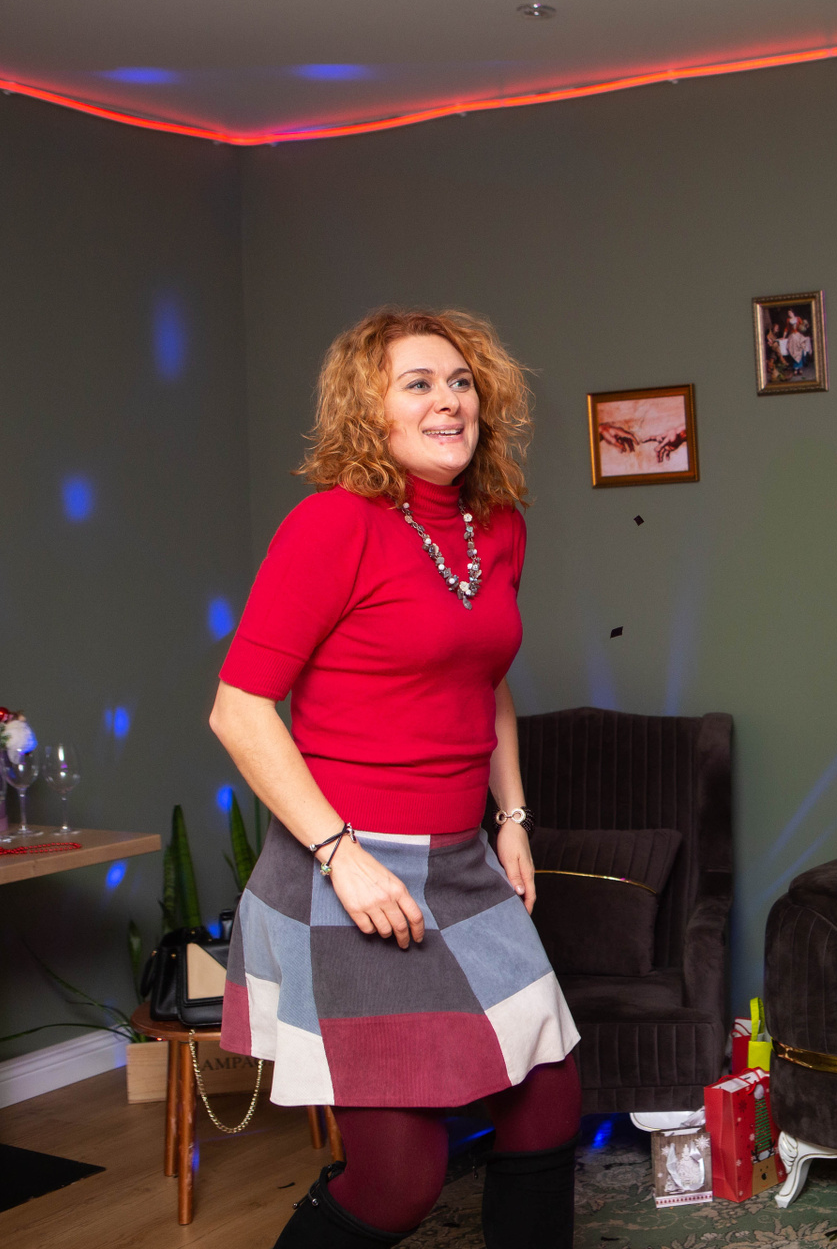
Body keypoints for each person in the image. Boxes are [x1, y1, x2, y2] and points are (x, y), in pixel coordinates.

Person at [210, 308, 580, 1249]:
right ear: (367, 410)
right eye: (418, 384)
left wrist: (513, 818)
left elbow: (483, 678)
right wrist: (342, 856)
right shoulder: (330, 525)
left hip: (462, 864)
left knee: (548, 1101)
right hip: (346, 873)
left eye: (460, 383)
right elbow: (239, 710)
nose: (447, 401)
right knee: (400, 1181)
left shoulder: (497, 528)